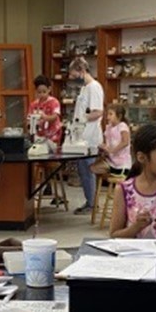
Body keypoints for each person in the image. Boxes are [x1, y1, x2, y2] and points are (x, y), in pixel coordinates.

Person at [68, 57, 105, 215]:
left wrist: (82, 119)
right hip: (81, 136)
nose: (73, 79)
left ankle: (92, 204)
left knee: (88, 170)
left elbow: (97, 112)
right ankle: (88, 201)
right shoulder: (84, 88)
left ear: (82, 71)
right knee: (82, 170)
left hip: (90, 137)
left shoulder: (94, 87)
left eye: (74, 75)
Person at [91, 103, 132, 178]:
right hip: (110, 160)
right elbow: (108, 143)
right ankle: (95, 188)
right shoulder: (109, 127)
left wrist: (112, 150)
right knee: (92, 168)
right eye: (107, 114)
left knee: (94, 168)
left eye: (111, 114)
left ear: (119, 116)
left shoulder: (122, 126)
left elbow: (125, 142)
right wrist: (104, 148)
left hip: (121, 163)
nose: (107, 117)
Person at [27, 75, 63, 149]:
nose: (42, 94)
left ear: (49, 89)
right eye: (39, 92)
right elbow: (29, 118)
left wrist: (45, 117)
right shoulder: (34, 104)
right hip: (39, 135)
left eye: (44, 92)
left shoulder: (54, 102)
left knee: (51, 155)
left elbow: (55, 117)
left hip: (53, 135)